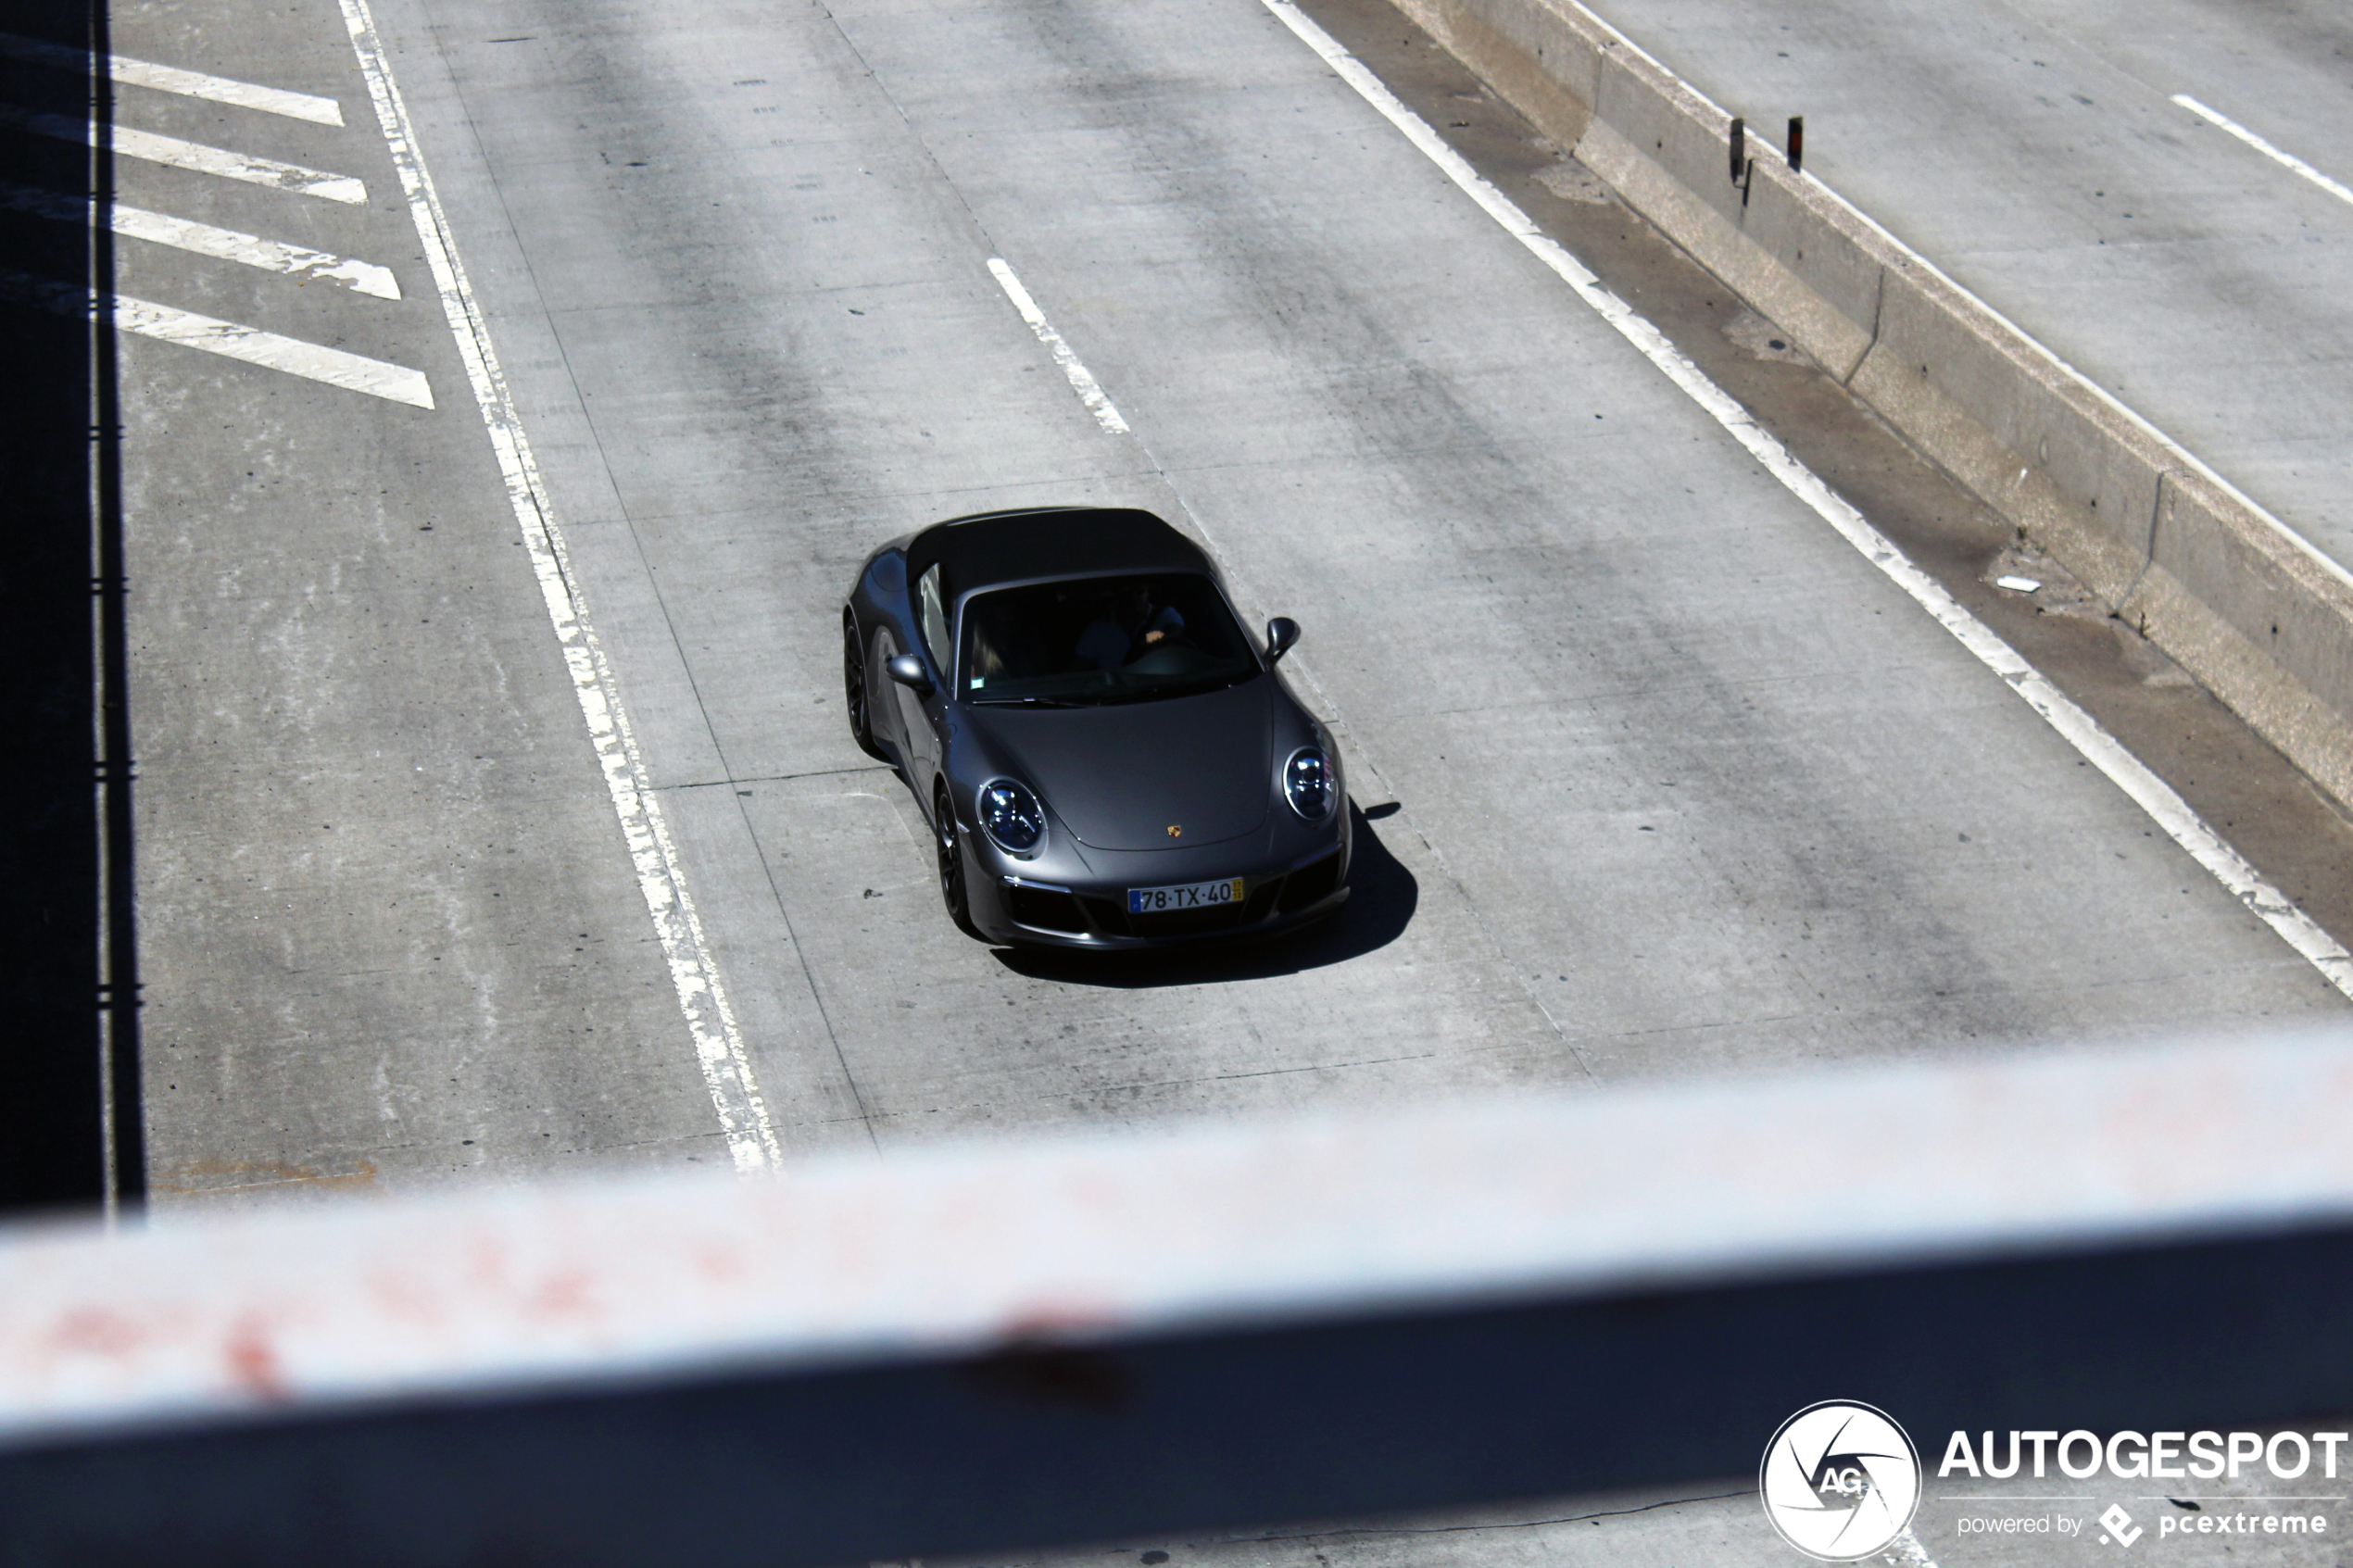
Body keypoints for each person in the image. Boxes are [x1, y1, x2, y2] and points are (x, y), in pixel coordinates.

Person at [1075, 580, 1184, 671]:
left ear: (1148, 593)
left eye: (1140, 591)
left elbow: (1175, 632)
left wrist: (1150, 638)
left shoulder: (1165, 614)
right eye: (1127, 593)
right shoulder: (1098, 629)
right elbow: (1077, 670)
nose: (1134, 598)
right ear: (1116, 596)